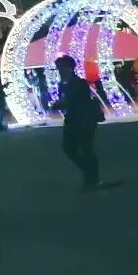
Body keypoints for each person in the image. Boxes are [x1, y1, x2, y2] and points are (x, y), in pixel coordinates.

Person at [52, 56, 104, 190]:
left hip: (84, 121)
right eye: (58, 68)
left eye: (61, 67)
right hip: (72, 120)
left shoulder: (79, 83)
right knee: (69, 148)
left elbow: (76, 101)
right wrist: (59, 104)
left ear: (70, 68)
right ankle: (91, 174)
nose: (59, 71)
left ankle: (92, 179)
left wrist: (60, 104)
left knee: (86, 149)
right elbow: (66, 101)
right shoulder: (62, 84)